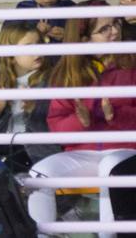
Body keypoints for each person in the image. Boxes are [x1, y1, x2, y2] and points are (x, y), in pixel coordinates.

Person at [25, 14, 136, 227]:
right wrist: (79, 121)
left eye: (116, 24)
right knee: (37, 174)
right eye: (104, 29)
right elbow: (56, 123)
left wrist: (116, 116)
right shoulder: (68, 72)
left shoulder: (132, 63)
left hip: (128, 151)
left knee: (110, 168)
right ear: (85, 39)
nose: (114, 31)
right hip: (83, 153)